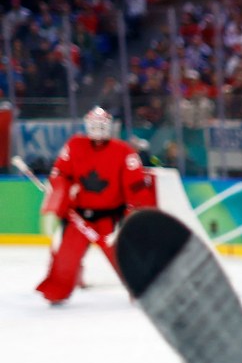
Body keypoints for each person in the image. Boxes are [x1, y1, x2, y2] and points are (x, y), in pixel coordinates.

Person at [36, 106, 156, 304]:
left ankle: (141, 289)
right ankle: (56, 291)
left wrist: (134, 217)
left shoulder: (124, 152)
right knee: (64, 260)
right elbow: (60, 175)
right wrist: (56, 204)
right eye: (94, 125)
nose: (98, 130)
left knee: (123, 259)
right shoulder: (75, 145)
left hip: (110, 220)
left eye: (102, 125)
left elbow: (136, 188)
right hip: (79, 217)